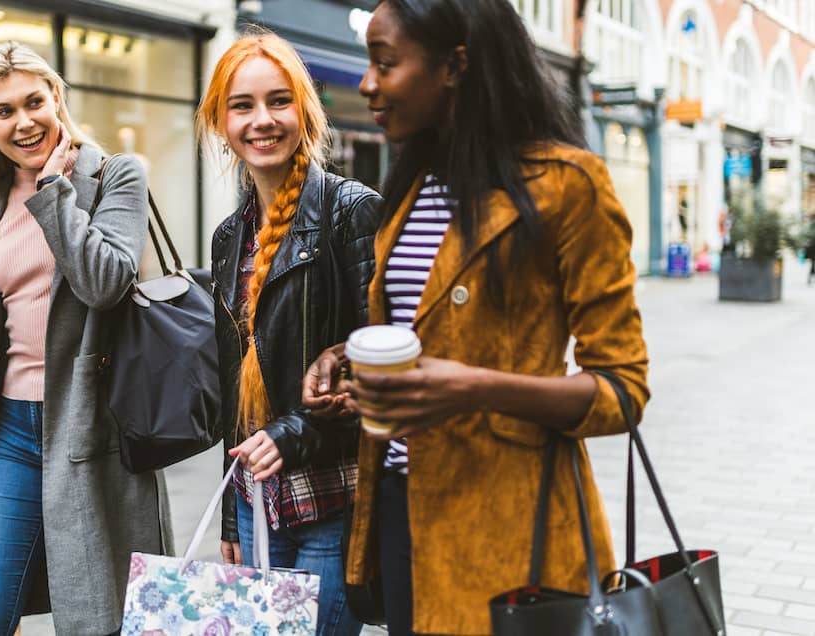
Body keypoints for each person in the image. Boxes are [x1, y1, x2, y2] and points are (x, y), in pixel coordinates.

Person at [302, 1, 650, 634]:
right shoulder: (411, 185)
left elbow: (623, 392)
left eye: (386, 63)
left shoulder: (570, 185)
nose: (367, 83)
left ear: (455, 65)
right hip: (401, 511)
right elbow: (428, 323)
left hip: (515, 528)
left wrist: (473, 387)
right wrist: (346, 357)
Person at [0, 41, 172, 636]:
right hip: (8, 430)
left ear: (57, 98)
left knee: (96, 619)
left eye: (34, 102)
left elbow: (105, 283)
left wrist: (54, 191)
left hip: (91, 427)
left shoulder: (116, 175)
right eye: (3, 111)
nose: (23, 122)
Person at [197, 31, 382, 635]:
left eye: (278, 101)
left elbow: (381, 360)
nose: (262, 120)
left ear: (304, 109)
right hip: (257, 504)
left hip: (336, 497)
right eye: (242, 105)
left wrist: (295, 432)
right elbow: (236, 390)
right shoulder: (230, 237)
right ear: (220, 122)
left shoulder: (350, 211)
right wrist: (231, 516)